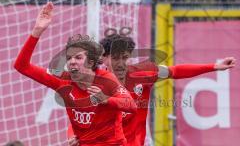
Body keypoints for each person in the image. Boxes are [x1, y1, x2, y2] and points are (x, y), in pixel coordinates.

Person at [67, 27, 236, 146]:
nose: (120, 63)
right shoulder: (93, 82)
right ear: (103, 58)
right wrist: (71, 136)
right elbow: (78, 116)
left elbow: (175, 71)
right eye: (115, 58)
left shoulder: (143, 74)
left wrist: (213, 66)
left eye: (124, 57)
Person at [14, 2, 137, 146]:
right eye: (69, 58)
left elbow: (131, 105)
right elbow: (21, 66)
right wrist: (37, 31)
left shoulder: (106, 79)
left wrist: (105, 99)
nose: (72, 62)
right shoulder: (62, 80)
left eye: (78, 58)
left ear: (91, 62)